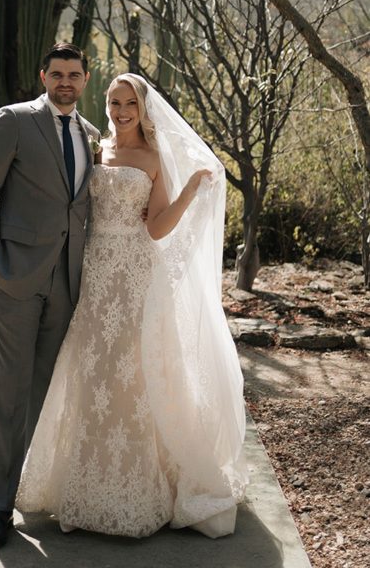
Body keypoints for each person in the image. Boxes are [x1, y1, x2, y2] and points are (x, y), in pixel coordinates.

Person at [16, 73, 248, 539]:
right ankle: (83, 487)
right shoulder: (93, 147)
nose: (121, 111)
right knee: (92, 368)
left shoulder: (153, 156)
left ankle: (142, 486)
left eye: (129, 104)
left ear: (142, 109)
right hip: (95, 270)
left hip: (135, 274)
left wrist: (188, 192)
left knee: (134, 370)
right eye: (114, 102)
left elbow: (158, 228)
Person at [0, 42, 101, 550]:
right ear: (43, 76)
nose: (65, 82)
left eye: (74, 74)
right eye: (57, 74)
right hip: (14, 277)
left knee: (44, 390)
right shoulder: (14, 121)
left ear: (85, 79)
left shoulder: (91, 136)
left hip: (67, 283)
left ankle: (32, 488)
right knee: (8, 391)